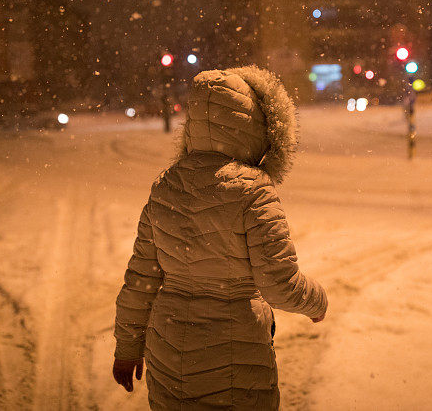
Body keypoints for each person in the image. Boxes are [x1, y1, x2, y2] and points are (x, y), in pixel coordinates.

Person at [112, 66, 328, 410]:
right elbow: (278, 284)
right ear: (257, 125)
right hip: (234, 355)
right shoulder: (254, 191)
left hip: (167, 349)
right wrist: (317, 301)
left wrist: (126, 347)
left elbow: (141, 280)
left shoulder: (166, 185)